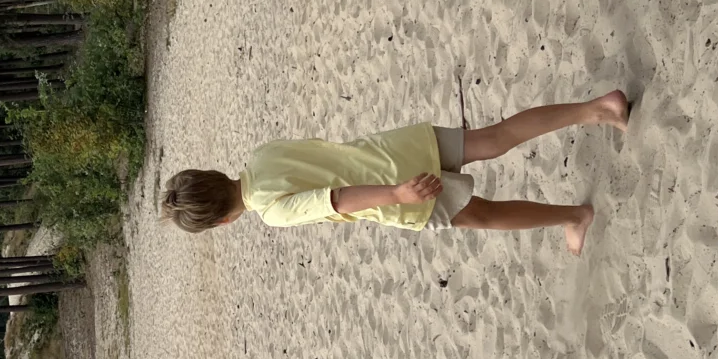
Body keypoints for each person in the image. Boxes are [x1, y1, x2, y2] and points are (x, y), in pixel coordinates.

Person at [160, 91, 628, 256]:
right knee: (495, 137)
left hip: (399, 192)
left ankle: (574, 216)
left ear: (222, 221)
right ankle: (598, 108)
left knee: (483, 216)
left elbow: (336, 199)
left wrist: (397, 194)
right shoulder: (261, 155)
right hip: (395, 146)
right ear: (213, 174)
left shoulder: (271, 212)